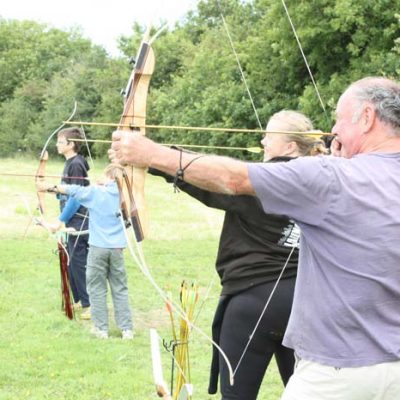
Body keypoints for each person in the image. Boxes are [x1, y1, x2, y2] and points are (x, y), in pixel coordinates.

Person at [109, 76, 400, 399]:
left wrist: (149, 154)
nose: (334, 130)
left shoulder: (327, 176)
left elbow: (232, 179)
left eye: (340, 119)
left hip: (337, 371)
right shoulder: (339, 174)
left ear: (368, 117)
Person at [148, 110, 326, 399]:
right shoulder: (322, 178)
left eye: (270, 135)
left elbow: (207, 181)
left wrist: (151, 159)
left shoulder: (264, 180)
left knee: (237, 395)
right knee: (305, 392)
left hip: (252, 301)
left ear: (290, 146)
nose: (263, 140)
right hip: (302, 302)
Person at [38, 164, 134, 340]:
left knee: (96, 288)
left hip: (98, 249)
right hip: (117, 250)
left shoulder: (96, 193)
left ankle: (101, 329)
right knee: (120, 288)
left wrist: (47, 187)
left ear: (111, 178)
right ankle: (127, 330)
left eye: (105, 176)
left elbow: (72, 190)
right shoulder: (125, 195)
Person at [53, 127, 91, 318]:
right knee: (71, 261)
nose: (57, 145)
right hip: (73, 219)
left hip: (80, 219)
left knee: (77, 261)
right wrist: (55, 191)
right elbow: (68, 190)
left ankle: (89, 304)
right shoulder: (71, 162)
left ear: (71, 144)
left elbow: (76, 198)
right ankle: (79, 300)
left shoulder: (76, 164)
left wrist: (61, 220)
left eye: (61, 142)